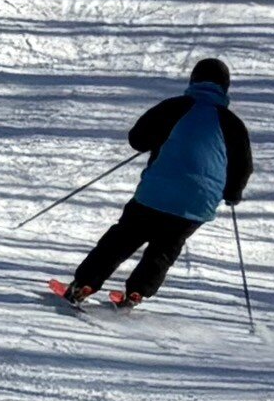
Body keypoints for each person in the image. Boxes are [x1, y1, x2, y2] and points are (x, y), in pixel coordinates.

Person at [59, 55, 255, 308]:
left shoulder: (174, 107)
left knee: (123, 238)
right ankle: (137, 292)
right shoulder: (233, 124)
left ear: (194, 80)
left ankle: (84, 284)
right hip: (197, 203)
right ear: (225, 88)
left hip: (157, 193)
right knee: (165, 249)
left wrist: (157, 141)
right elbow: (242, 166)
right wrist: (233, 193)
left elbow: (137, 139)